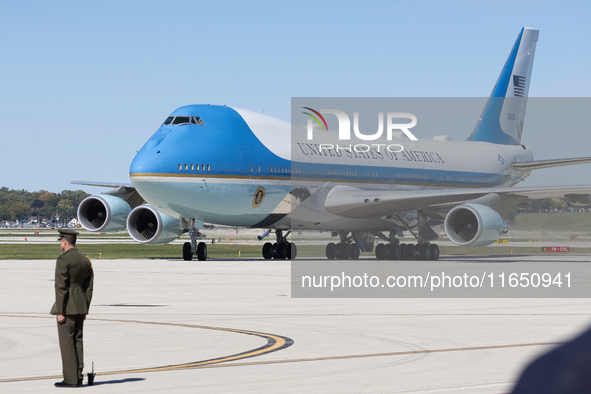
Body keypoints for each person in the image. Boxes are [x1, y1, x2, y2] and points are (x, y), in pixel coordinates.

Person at [50, 229, 94, 388]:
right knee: (78, 341)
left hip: (67, 306)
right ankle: (79, 376)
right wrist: (85, 308)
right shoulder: (85, 260)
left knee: (67, 343)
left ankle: (71, 379)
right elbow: (89, 287)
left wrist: (60, 311)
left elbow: (61, 287)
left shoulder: (63, 260)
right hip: (80, 305)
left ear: (64, 242)